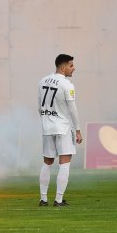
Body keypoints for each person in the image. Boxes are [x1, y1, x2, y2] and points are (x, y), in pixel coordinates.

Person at [38, 54, 83, 207]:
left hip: (47, 127)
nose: (74, 68)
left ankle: (43, 199)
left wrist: (46, 120)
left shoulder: (42, 81)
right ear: (63, 67)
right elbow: (73, 110)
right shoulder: (67, 84)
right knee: (65, 163)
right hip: (62, 127)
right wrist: (77, 130)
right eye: (71, 65)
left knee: (47, 162)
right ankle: (58, 200)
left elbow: (40, 107)